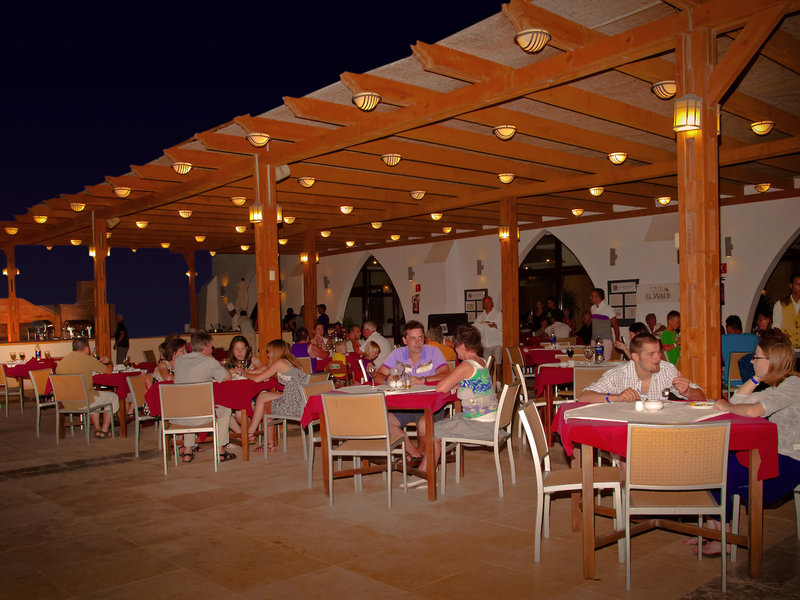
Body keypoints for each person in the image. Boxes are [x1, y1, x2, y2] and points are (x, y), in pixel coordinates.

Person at [704, 337, 800, 556]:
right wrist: (756, 377)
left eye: (757, 357)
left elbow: (752, 410)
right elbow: (738, 402)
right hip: (772, 456)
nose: (752, 361)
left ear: (772, 360)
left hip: (787, 464)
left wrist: (726, 407)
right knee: (714, 462)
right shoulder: (778, 386)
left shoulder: (793, 385)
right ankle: (715, 531)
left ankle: (723, 537)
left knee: (715, 470)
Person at [418, 324, 494, 472]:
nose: (454, 348)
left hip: (478, 425)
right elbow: (476, 385)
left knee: (431, 431)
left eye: (455, 345)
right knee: (442, 424)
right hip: (489, 420)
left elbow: (441, 388)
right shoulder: (481, 361)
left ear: (462, 346)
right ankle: (426, 469)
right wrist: (459, 385)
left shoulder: (466, 365)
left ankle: (425, 473)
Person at [378, 320, 450, 459]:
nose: (417, 342)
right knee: (385, 421)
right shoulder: (397, 354)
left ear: (424, 338)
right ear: (405, 340)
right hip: (405, 406)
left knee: (423, 425)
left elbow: (446, 373)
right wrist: (387, 379)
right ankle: (414, 453)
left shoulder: (433, 352)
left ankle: (420, 454)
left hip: (431, 405)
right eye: (412, 338)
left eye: (420, 337)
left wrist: (424, 380)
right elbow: (378, 375)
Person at [578, 333, 705, 403]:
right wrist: (617, 397)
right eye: (651, 354)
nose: (658, 358)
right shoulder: (618, 375)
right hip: (628, 432)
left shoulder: (667, 370)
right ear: (635, 357)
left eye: (658, 352)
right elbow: (584, 397)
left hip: (660, 430)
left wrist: (687, 391)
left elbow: (702, 398)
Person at [172, 331, 235, 464]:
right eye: (211, 347)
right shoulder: (209, 361)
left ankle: (188, 451)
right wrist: (216, 362)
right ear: (205, 347)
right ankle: (220, 451)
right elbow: (228, 377)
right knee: (225, 408)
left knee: (190, 406)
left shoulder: (179, 361)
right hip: (200, 415)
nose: (212, 350)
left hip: (178, 414)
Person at [244, 339, 310, 452]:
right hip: (301, 401)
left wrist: (243, 373)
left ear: (275, 351)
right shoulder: (292, 362)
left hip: (293, 405)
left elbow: (257, 379)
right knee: (263, 396)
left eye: (269, 352)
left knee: (266, 406)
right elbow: (266, 372)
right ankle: (253, 433)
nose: (268, 355)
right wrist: (249, 372)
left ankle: (255, 436)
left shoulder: (280, 363)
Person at [55, 337, 117, 438]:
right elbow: (109, 371)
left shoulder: (62, 362)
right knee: (113, 397)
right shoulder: (88, 360)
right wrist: (109, 362)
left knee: (95, 397)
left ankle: (98, 429)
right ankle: (105, 430)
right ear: (86, 348)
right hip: (84, 401)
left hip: (66, 402)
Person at [773, 272, 800, 348]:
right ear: (791, 286)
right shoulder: (780, 304)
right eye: (798, 284)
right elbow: (776, 328)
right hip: (787, 348)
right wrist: (783, 336)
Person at [474, 295, 502, 367]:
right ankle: (488, 375)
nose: (487, 305)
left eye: (488, 302)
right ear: (483, 304)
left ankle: (498, 375)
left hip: (496, 343)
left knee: (497, 363)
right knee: (486, 365)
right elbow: (475, 326)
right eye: (485, 303)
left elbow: (503, 326)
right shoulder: (481, 316)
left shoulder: (498, 314)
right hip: (485, 344)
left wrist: (495, 325)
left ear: (492, 303)